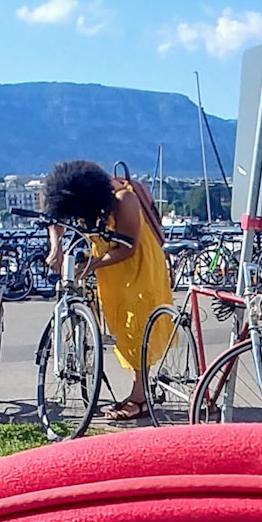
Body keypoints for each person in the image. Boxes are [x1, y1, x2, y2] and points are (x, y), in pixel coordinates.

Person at [41, 159, 172, 422]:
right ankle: (141, 390)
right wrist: (56, 246)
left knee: (136, 324)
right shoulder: (77, 195)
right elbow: (56, 216)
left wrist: (90, 265)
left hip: (138, 265)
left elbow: (128, 247)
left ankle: (140, 397)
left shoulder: (124, 200)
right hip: (107, 267)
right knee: (118, 324)